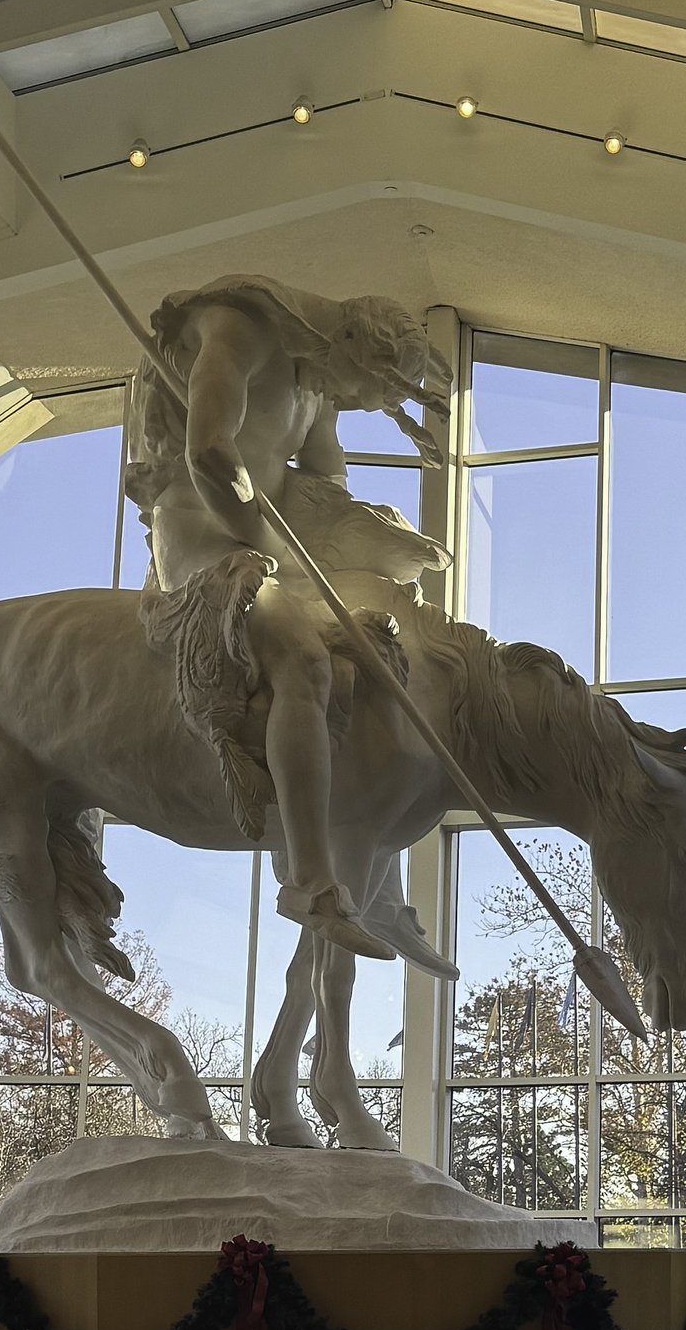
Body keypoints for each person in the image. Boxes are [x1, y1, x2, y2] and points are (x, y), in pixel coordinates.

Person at [124, 279, 450, 959]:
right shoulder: (237, 332)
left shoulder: (318, 385)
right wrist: (272, 555)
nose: (356, 406)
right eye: (365, 392)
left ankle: (377, 873)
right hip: (200, 536)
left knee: (386, 641)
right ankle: (309, 880)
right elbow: (209, 453)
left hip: (270, 544)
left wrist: (374, 534)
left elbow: (326, 483)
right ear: (354, 347)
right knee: (304, 657)